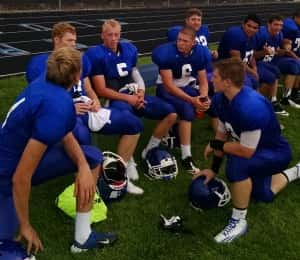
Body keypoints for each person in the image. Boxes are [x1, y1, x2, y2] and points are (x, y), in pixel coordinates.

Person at [0, 47, 116, 254]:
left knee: (91, 157)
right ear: (76, 76)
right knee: (6, 245)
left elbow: (63, 131)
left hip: (11, 158)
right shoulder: (58, 104)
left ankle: (82, 238)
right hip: (6, 175)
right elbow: (20, 177)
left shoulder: (45, 83)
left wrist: (82, 166)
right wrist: (25, 225)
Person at [26, 22, 144, 195]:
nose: (73, 44)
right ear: (56, 40)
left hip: (89, 109)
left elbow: (88, 88)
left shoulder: (80, 59)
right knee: (82, 135)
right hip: (66, 114)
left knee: (133, 124)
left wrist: (95, 99)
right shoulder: (42, 64)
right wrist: (70, 108)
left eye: (75, 40)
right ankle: (86, 185)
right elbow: (42, 98)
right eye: (69, 40)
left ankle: (120, 173)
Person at [197, 58, 300, 243]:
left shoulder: (251, 106)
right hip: (257, 150)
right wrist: (213, 168)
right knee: (263, 195)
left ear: (227, 82)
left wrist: (216, 146)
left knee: (237, 165)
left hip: (274, 153)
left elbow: (245, 152)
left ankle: (238, 222)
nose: (212, 79)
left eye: (216, 76)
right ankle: (296, 171)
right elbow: (221, 134)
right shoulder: (222, 99)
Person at [86, 19, 177, 173]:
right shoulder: (96, 55)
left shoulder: (129, 49)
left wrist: (141, 92)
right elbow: (101, 90)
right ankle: (128, 160)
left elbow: (135, 73)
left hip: (134, 95)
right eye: (109, 35)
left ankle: (150, 149)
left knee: (171, 112)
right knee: (130, 120)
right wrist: (130, 99)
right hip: (116, 98)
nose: (114, 38)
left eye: (116, 35)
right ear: (102, 35)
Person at [152, 26, 211, 174]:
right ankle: (186, 156)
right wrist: (192, 100)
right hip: (166, 89)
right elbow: (169, 86)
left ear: (193, 43)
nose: (180, 43)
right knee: (187, 110)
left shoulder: (200, 54)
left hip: (186, 87)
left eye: (185, 41)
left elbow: (203, 82)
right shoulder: (166, 53)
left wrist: (203, 98)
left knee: (210, 103)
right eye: (179, 40)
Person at [254, 15, 300, 110]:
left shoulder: (279, 34)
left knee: (293, 65)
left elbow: (277, 49)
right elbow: (251, 54)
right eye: (276, 25)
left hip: (272, 60)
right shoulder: (260, 34)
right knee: (271, 74)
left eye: (280, 25)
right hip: (258, 63)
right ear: (269, 24)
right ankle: (264, 103)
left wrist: (283, 48)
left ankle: (286, 97)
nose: (278, 27)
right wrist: (264, 52)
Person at [282, 9, 300, 101]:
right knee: (295, 65)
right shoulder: (291, 28)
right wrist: (297, 58)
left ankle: (295, 91)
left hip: (294, 55)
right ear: (296, 17)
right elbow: (287, 49)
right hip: (283, 56)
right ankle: (288, 95)